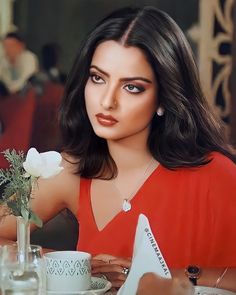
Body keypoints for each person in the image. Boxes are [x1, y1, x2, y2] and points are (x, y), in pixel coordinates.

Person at [0, 6, 236, 293]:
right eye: (98, 78)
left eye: (132, 87)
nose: (107, 101)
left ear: (165, 97)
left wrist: (158, 276)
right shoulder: (66, 170)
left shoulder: (218, 175)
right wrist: (76, 265)